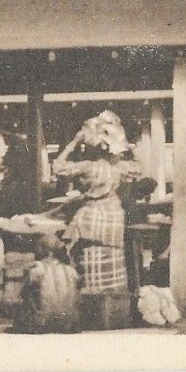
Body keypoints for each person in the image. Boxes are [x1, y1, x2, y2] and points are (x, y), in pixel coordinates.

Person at [54, 111, 137, 296]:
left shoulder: (88, 167)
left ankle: (91, 301)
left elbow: (58, 168)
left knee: (89, 261)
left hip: (91, 218)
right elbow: (138, 168)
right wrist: (125, 146)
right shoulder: (120, 167)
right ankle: (113, 302)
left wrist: (74, 142)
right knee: (113, 260)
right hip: (114, 216)